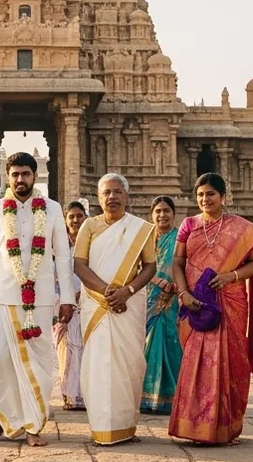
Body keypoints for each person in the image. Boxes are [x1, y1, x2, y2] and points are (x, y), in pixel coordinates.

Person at [169, 173, 253, 445]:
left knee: (231, 362)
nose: (205, 199)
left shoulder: (239, 228)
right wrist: (183, 293)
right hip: (196, 302)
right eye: (200, 195)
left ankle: (225, 427)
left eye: (210, 194)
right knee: (195, 362)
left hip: (230, 301)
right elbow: (177, 262)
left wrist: (232, 276)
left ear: (223, 196)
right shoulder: (188, 225)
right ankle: (195, 426)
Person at [0, 152, 75, 447]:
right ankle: (7, 415)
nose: (20, 180)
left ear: (35, 175)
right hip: (2, 297)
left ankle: (32, 424)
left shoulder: (53, 210)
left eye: (26, 174)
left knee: (39, 362)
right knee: (0, 359)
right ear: (8, 176)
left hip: (41, 300)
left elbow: (63, 256)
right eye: (15, 174)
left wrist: (67, 297)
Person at [75, 174, 157, 444]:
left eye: (117, 192)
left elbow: (149, 266)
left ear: (127, 196)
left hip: (128, 303)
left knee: (128, 362)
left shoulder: (141, 229)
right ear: (99, 198)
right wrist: (107, 290)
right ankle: (101, 426)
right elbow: (80, 265)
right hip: (98, 302)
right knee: (98, 365)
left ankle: (125, 425)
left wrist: (127, 291)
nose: (112, 197)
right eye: (107, 192)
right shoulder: (89, 226)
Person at [141, 196, 182, 415]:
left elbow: (185, 265)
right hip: (148, 297)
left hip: (172, 299)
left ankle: (172, 396)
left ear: (174, 214)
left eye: (166, 211)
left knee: (170, 343)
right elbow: (137, 266)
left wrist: (175, 285)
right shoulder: (144, 238)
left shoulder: (180, 238)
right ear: (152, 214)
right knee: (145, 344)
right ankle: (146, 396)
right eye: (158, 211)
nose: (162, 215)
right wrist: (157, 281)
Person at [56, 200, 88, 411]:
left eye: (79, 216)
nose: (76, 220)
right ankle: (69, 394)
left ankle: (84, 394)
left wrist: (83, 293)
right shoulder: (57, 245)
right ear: (65, 221)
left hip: (88, 300)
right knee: (65, 349)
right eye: (71, 217)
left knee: (84, 349)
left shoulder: (92, 243)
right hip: (63, 303)